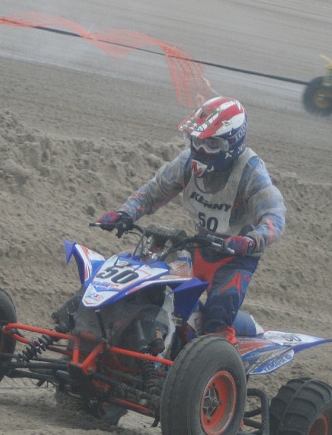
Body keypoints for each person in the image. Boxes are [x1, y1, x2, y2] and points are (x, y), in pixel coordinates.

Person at [95, 97, 285, 344]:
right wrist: (125, 214)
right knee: (153, 291)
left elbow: (274, 217)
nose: (202, 150)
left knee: (218, 315)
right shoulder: (186, 162)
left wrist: (250, 241)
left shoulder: (251, 172)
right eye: (198, 141)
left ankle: (221, 361)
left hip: (236, 256)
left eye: (212, 144)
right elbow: (154, 191)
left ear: (233, 143)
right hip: (200, 245)